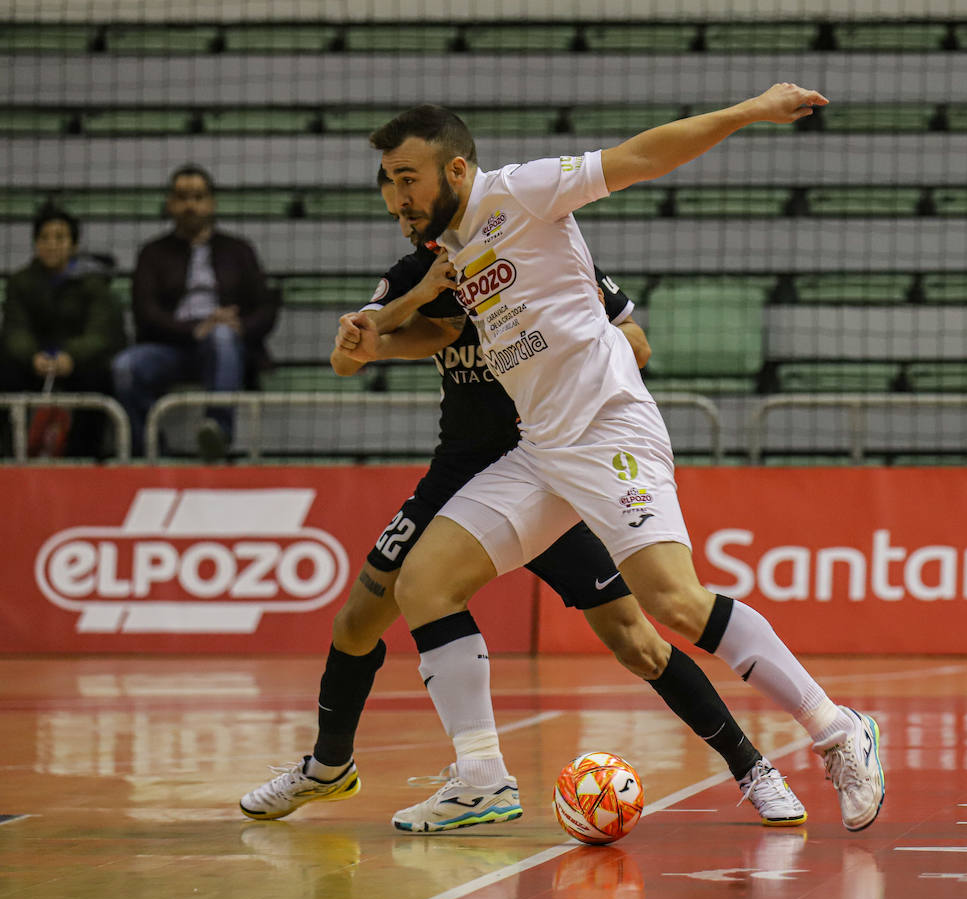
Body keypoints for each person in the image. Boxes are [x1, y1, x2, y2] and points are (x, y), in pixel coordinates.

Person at [364, 85, 886, 834]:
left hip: (608, 429)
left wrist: (748, 111)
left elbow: (641, 156)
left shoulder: (520, 190)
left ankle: (837, 728)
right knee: (425, 582)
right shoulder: (447, 251)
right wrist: (377, 328)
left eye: (406, 178)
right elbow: (428, 334)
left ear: (453, 170)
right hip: (543, 448)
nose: (396, 197)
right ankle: (481, 778)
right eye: (387, 182)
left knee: (674, 604)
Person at [238, 171, 806, 832]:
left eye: (411, 201)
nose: (403, 215)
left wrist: (555, 343)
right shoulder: (410, 276)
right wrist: (420, 299)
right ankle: (330, 768)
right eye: (396, 209)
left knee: (636, 642)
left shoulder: (538, 256)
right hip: (461, 473)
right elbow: (354, 358)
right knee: (357, 622)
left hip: (548, 472)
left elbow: (638, 343)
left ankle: (753, 769)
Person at [111, 164, 278, 461]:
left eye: (198, 197)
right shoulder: (152, 253)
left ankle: (217, 431)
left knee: (223, 336)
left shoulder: (238, 250)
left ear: (211, 203)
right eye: (182, 197)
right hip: (170, 347)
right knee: (125, 368)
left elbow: (266, 308)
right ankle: (150, 448)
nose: (191, 205)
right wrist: (194, 329)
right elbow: (145, 312)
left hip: (225, 348)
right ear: (171, 203)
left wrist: (239, 327)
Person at [1, 204, 125, 458]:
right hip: (34, 364)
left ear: (74, 245)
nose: (52, 244)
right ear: (36, 244)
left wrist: (71, 357)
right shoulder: (21, 282)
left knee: (99, 377)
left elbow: (101, 334)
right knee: (5, 371)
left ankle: (82, 456)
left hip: (77, 364)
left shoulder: (95, 283)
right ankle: (8, 453)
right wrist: (32, 357)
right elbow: (14, 330)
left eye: (60, 238)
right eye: (44, 238)